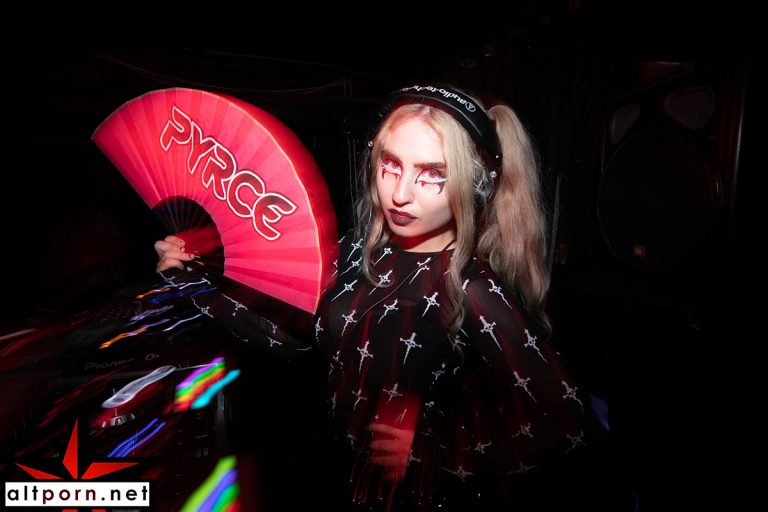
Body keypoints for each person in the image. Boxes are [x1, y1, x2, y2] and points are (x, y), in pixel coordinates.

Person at [155, 84, 618, 511]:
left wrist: (438, 449)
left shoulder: (470, 287)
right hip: (340, 481)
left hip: (418, 499)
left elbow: (569, 423)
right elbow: (293, 337)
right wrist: (193, 281)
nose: (399, 194)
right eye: (391, 164)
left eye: (431, 175)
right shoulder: (356, 251)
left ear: (473, 184)